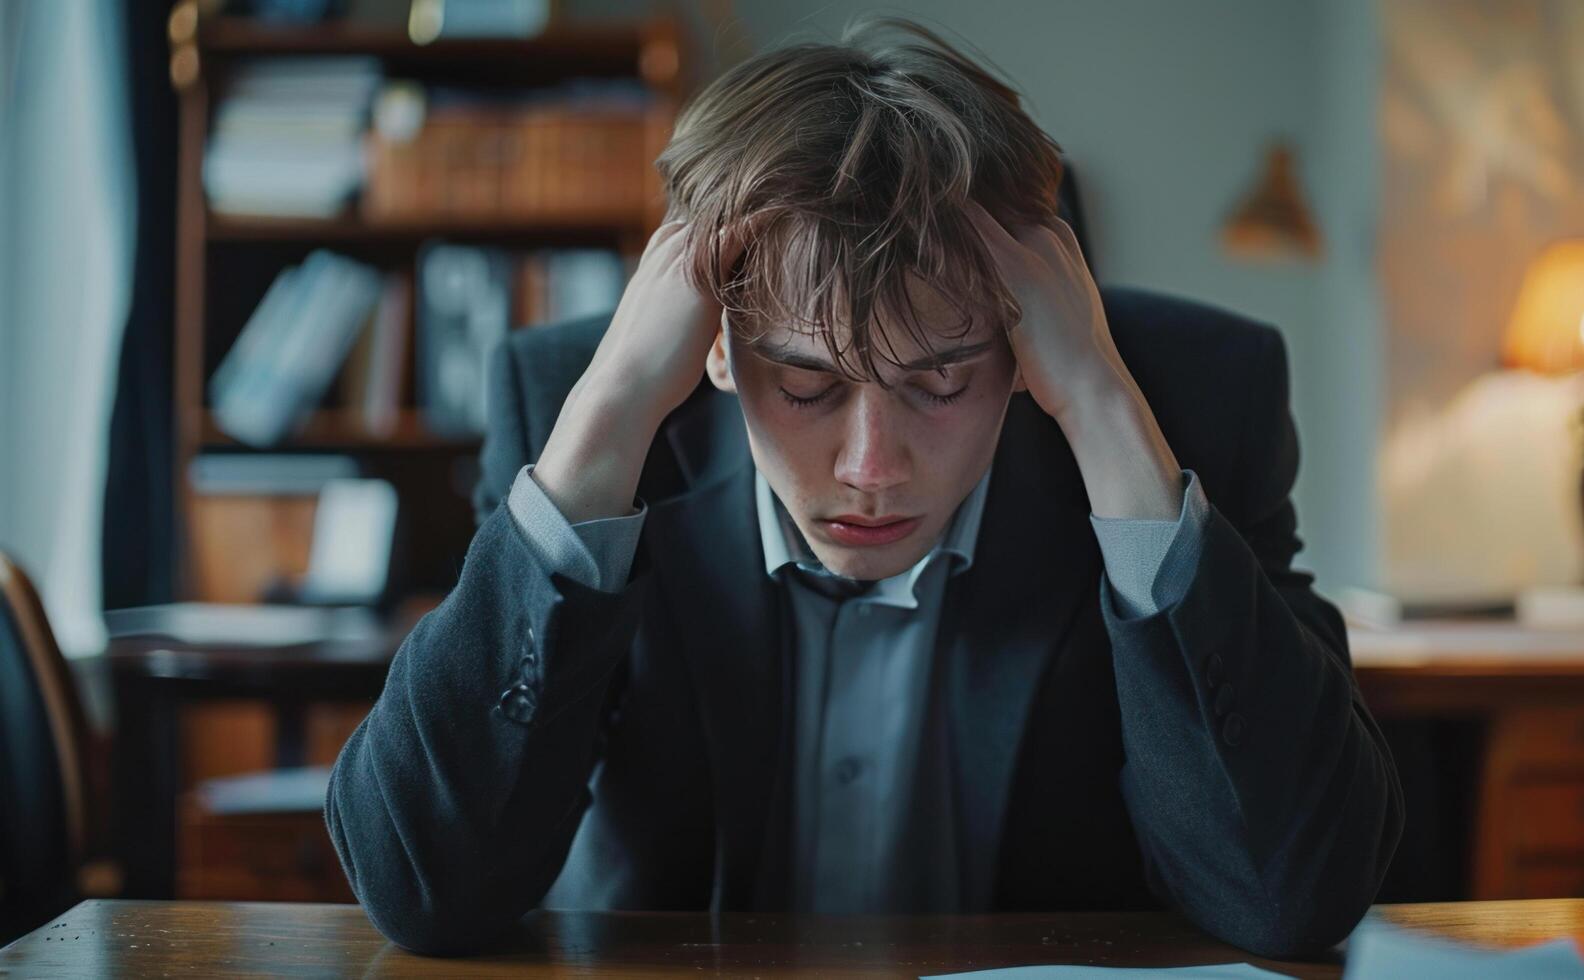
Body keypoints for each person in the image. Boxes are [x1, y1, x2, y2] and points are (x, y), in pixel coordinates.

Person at [324, 15, 1403, 959]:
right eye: (804, 385)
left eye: (942, 381)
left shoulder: (1192, 404)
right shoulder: (583, 414)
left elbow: (1292, 894)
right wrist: (606, 422)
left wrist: (1106, 413)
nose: (871, 467)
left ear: (1025, 347)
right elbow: (426, 887)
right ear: (713, 343)